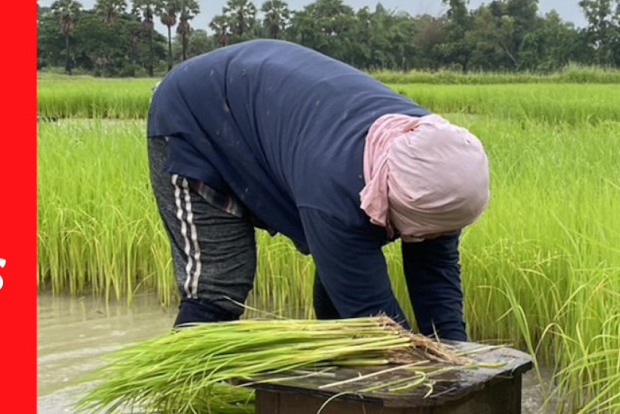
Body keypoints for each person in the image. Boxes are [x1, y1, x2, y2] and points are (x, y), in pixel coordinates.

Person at [146, 40, 489, 341]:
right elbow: (375, 325)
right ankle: (187, 403)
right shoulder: (336, 193)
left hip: (274, 105)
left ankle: (339, 393)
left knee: (346, 269)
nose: (425, 237)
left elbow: (435, 280)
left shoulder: (438, 163)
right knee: (218, 288)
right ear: (386, 196)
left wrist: (457, 357)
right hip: (197, 118)